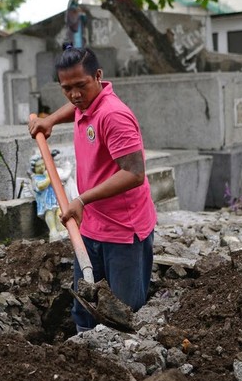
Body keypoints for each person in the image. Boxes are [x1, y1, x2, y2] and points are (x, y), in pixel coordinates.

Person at [28, 46, 156, 332]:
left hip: (124, 230)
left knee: (123, 311)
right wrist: (48, 121)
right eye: (66, 88)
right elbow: (75, 106)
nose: (74, 95)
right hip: (90, 226)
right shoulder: (85, 105)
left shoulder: (113, 116)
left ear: (98, 76)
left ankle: (124, 362)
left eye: (81, 86)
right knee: (84, 305)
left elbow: (134, 174)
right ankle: (83, 352)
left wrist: (82, 200)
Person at [30, 155, 68, 242]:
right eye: (38, 166)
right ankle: (53, 231)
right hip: (45, 201)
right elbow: (40, 186)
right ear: (34, 168)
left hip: (54, 198)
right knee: (50, 213)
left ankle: (61, 229)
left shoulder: (47, 174)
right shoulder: (36, 178)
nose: (41, 167)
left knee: (59, 213)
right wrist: (49, 177)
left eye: (43, 165)